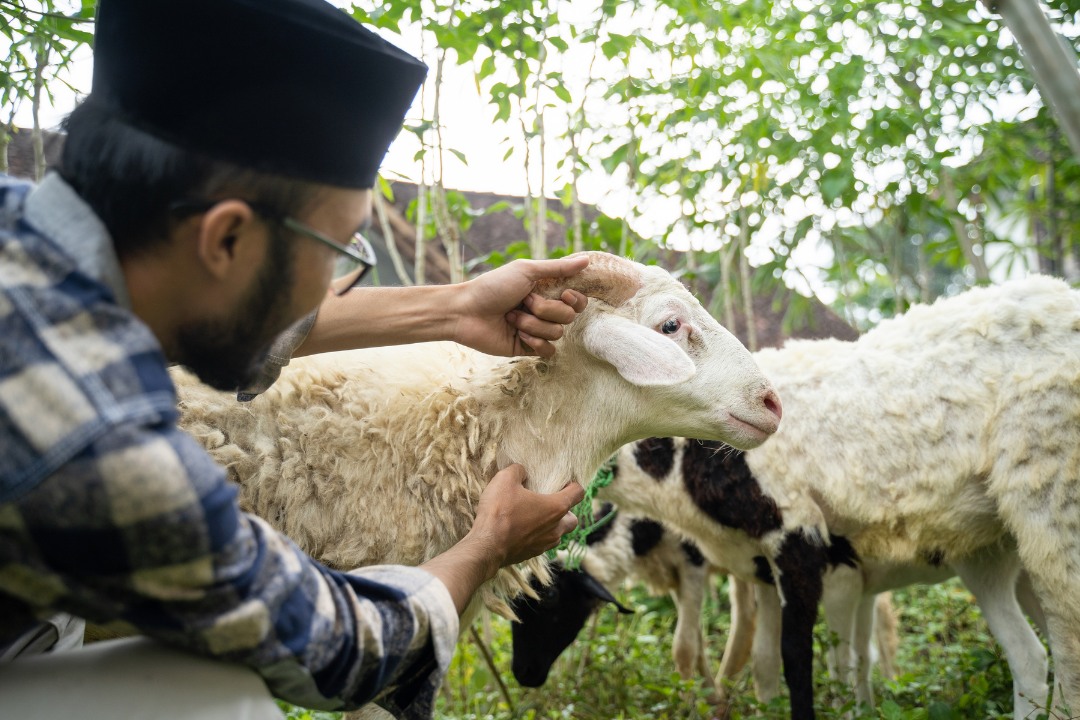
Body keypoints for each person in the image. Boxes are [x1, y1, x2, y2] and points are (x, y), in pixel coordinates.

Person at [0, 0, 588, 717]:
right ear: (224, 240)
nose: (331, 282)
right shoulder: (91, 432)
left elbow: (212, 317)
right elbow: (331, 646)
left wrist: (458, 309)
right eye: (340, 250)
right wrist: (486, 545)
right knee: (223, 695)